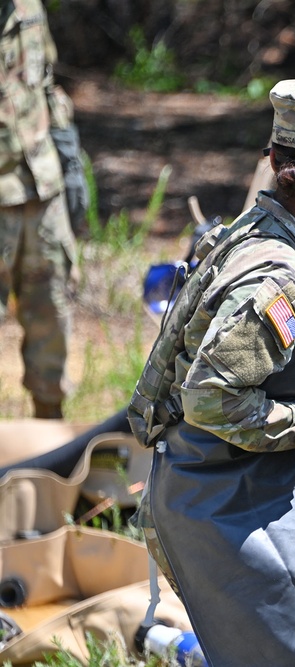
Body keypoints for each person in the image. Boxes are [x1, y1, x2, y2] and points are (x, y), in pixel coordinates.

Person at [127, 76, 295, 667]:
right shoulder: (278, 277)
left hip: (246, 486)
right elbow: (209, 400)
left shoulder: (271, 236)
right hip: (224, 503)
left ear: (276, 161)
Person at [0, 0, 89, 419]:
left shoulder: (27, 5)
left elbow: (46, 84)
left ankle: (50, 449)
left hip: (41, 189)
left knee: (51, 321)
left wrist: (69, 161)